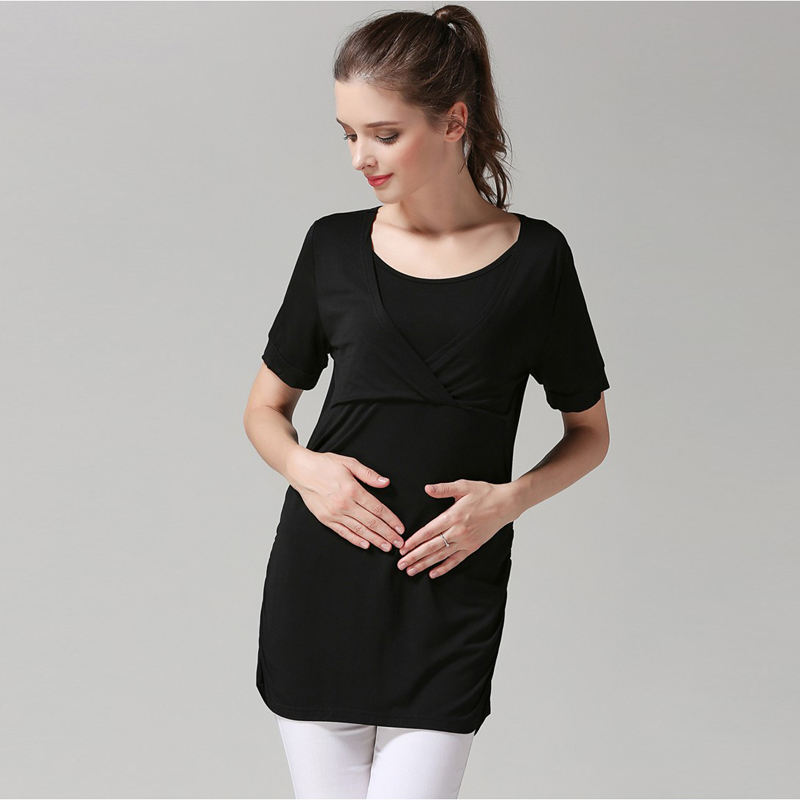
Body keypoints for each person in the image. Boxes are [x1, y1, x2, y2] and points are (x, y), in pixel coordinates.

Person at [242, 5, 611, 798]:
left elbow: (590, 432)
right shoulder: (332, 247)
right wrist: (308, 472)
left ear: (454, 121)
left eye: (383, 134)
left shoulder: (538, 260)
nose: (359, 158)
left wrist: (508, 501)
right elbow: (263, 412)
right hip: (322, 582)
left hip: (450, 594)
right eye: (348, 134)